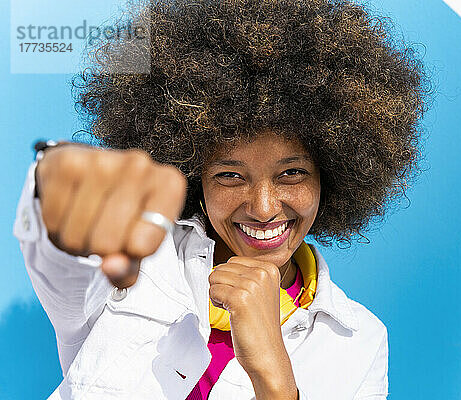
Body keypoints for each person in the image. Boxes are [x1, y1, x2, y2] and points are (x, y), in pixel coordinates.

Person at [13, 0, 429, 398]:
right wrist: (57, 179)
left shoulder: (360, 341)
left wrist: (276, 382)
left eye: (292, 173)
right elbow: (64, 258)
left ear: (332, 176)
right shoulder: (141, 258)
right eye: (230, 175)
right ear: (196, 175)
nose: (264, 208)